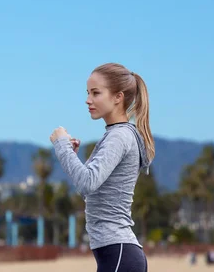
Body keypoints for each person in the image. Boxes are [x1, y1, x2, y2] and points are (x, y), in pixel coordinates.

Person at [49, 63, 154, 272]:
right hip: (116, 255)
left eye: (96, 93)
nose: (88, 100)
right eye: (88, 93)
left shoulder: (118, 137)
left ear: (118, 97)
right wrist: (72, 156)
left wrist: (61, 146)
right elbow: (93, 193)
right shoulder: (115, 135)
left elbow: (87, 183)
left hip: (119, 254)